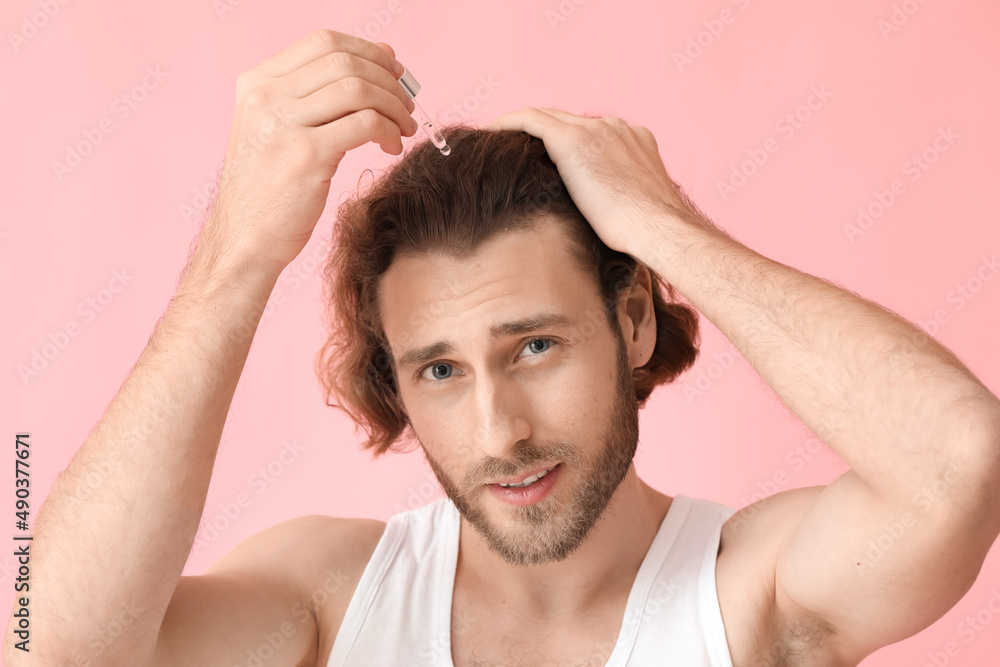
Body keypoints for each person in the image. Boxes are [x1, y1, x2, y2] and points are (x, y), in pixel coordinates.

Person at [5, 28, 999, 667]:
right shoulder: (329, 598)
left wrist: (667, 229)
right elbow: (38, 642)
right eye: (439, 369)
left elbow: (959, 463)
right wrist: (235, 257)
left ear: (635, 319)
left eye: (532, 346)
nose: (497, 429)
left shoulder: (752, 592)